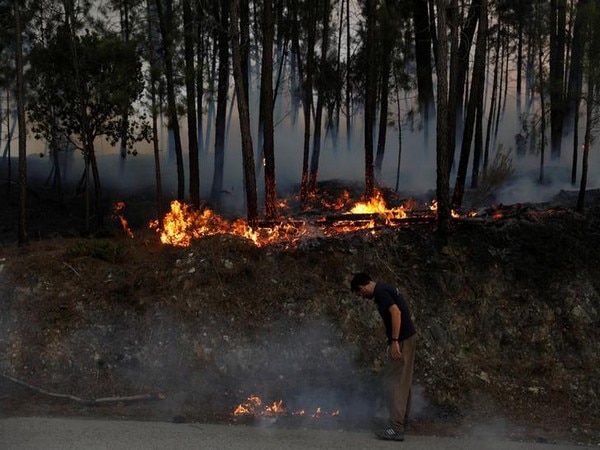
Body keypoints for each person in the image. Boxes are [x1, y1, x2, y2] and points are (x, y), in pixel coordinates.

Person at [350, 272, 416, 442]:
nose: (362, 297)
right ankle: (402, 423)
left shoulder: (380, 293)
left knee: (392, 382)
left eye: (360, 293)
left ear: (362, 287)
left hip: (402, 339)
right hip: (408, 337)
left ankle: (396, 428)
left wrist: (394, 340)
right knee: (402, 381)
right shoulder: (385, 287)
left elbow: (396, 313)